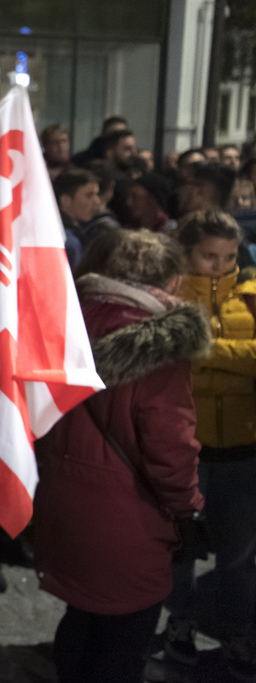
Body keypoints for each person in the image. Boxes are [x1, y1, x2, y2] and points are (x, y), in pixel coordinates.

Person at [35, 228, 207, 683]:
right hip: (127, 518)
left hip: (60, 496)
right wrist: (188, 510)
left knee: (82, 615)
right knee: (124, 637)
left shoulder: (63, 319)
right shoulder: (160, 345)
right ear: (171, 282)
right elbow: (171, 449)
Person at [159, 210, 256, 681]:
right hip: (189, 449)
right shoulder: (173, 299)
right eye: (209, 256)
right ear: (189, 253)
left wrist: (208, 350)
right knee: (182, 552)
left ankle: (237, 630)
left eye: (230, 256)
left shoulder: (252, 298)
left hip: (244, 448)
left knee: (238, 558)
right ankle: (179, 623)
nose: (219, 265)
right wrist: (235, 361)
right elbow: (174, 366)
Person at [53, 169, 102, 268]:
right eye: (89, 195)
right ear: (66, 200)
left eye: (97, 194)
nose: (97, 201)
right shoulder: (70, 243)